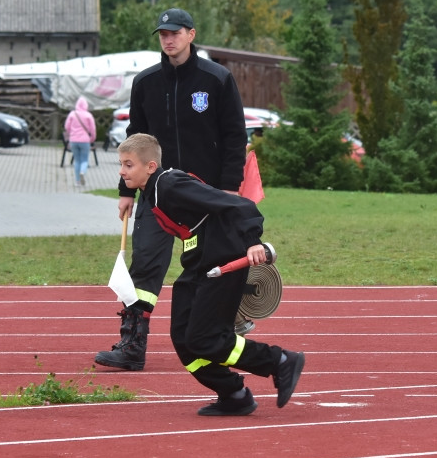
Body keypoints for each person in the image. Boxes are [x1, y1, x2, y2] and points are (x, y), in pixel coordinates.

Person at [95, 8, 248, 371]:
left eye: (175, 32)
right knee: (145, 267)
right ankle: (132, 347)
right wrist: (126, 189)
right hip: (157, 193)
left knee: (214, 267)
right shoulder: (146, 82)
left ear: (191, 35)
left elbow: (234, 137)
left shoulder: (217, 79)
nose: (168, 38)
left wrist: (228, 190)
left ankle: (221, 336)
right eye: (163, 33)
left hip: (205, 194)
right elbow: (134, 143)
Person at [117, 133, 305, 415]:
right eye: (120, 164)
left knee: (206, 339)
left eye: (129, 165)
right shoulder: (154, 191)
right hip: (198, 263)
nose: (122, 171)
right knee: (183, 337)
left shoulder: (170, 184)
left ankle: (279, 361)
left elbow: (241, 205)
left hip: (223, 259)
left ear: (150, 166)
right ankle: (234, 394)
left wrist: (253, 240)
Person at [63, 97, 97, 186]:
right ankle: (83, 171)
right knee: (84, 160)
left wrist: (72, 133)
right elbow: (93, 129)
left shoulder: (72, 114)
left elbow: (67, 127)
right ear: (86, 105)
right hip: (85, 141)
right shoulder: (88, 115)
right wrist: (92, 138)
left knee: (77, 160)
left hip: (73, 140)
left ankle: (77, 181)